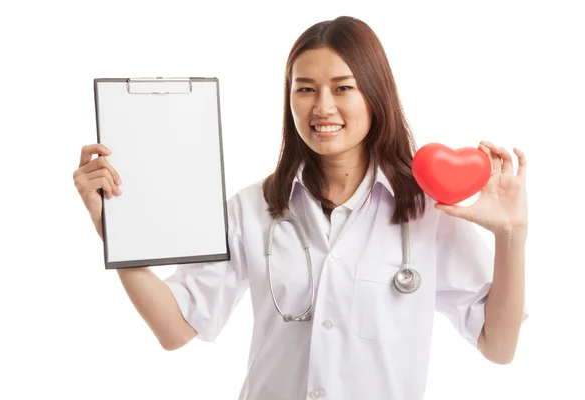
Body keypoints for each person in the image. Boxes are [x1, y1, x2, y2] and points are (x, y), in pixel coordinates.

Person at [73, 15, 529, 400]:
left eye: (343, 87)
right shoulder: (252, 209)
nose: (322, 106)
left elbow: (498, 344)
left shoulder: (425, 212)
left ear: (375, 96)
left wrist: (511, 236)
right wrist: (118, 231)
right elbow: (176, 329)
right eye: (305, 89)